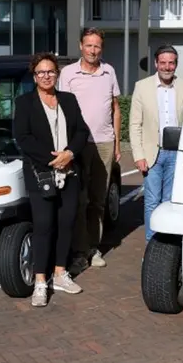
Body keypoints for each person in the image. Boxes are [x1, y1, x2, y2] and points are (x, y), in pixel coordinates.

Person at [14, 53, 90, 307]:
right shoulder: (24, 102)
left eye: (50, 72)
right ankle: (39, 281)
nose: (46, 76)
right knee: (44, 225)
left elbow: (82, 130)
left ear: (57, 74)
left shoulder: (68, 100)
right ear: (34, 76)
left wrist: (69, 153)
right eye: (41, 72)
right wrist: (52, 159)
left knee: (66, 223)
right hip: (41, 173)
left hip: (69, 172)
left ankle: (59, 273)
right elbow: (23, 138)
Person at [58, 27, 122, 272]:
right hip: (77, 145)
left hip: (104, 143)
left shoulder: (109, 72)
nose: (93, 50)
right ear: (80, 46)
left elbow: (116, 107)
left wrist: (116, 142)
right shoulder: (68, 73)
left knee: (98, 200)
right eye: (89, 45)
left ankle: (93, 249)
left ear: (101, 48)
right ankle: (79, 251)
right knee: (79, 200)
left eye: (97, 46)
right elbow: (62, 110)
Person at [129, 45, 183, 243]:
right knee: (152, 202)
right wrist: (138, 155)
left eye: (171, 63)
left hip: (176, 154)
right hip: (151, 154)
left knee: (170, 203)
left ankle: (167, 249)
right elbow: (135, 123)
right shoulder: (142, 86)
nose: (167, 67)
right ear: (156, 63)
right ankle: (151, 247)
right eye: (163, 62)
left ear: (176, 64)